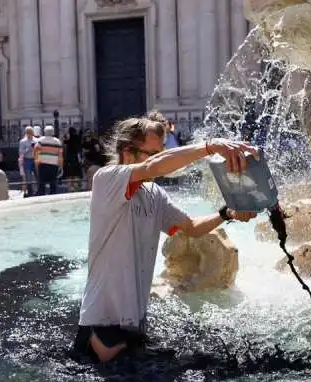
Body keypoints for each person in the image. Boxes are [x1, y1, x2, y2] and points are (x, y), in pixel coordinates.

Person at [73, 117, 259, 363]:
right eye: (151, 154)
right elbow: (155, 167)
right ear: (127, 152)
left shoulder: (153, 194)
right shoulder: (108, 178)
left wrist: (228, 213)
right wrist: (211, 146)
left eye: (160, 153)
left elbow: (191, 228)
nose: (159, 160)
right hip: (102, 324)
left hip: (135, 322)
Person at [34, 125, 63, 196]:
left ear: (45, 132)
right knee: (53, 182)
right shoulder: (58, 142)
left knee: (42, 182)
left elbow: (36, 151)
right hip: (54, 165)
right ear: (53, 132)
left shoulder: (40, 141)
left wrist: (37, 162)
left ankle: (42, 194)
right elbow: (60, 155)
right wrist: (60, 165)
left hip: (43, 164)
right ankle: (53, 196)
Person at [18, 126, 38, 196]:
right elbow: (21, 152)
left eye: (31, 132)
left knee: (37, 175)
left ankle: (39, 190)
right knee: (28, 177)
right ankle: (30, 192)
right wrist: (28, 149)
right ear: (26, 133)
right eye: (28, 132)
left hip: (35, 159)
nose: (30, 134)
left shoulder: (36, 140)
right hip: (27, 160)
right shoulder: (22, 141)